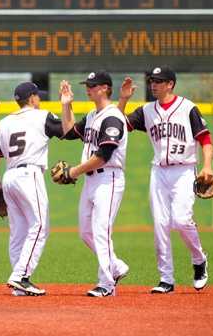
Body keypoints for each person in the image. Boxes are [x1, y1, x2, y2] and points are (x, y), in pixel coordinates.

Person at [120, 66, 210, 294]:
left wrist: (207, 166)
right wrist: (123, 99)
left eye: (159, 81)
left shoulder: (188, 108)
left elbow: (205, 139)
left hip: (184, 171)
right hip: (159, 172)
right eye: (152, 81)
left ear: (170, 84)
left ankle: (199, 259)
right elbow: (118, 125)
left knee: (180, 220)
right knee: (160, 224)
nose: (154, 85)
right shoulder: (146, 111)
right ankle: (166, 278)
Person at [59, 71, 136, 297]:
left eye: (92, 85)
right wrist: (66, 105)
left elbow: (103, 155)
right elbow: (68, 131)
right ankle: (116, 266)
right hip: (91, 180)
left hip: (109, 179)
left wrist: (74, 171)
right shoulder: (93, 114)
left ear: (105, 88)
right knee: (86, 232)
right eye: (88, 85)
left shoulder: (113, 117)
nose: (88, 88)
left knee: (101, 231)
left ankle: (106, 284)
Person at [0, 82, 64, 296]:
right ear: (31, 98)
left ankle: (19, 285)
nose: (39, 99)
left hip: (10, 176)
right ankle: (20, 276)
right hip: (29, 175)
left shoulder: (4, 122)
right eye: (37, 95)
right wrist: (67, 105)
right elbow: (67, 131)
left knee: (18, 232)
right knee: (39, 225)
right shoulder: (42, 116)